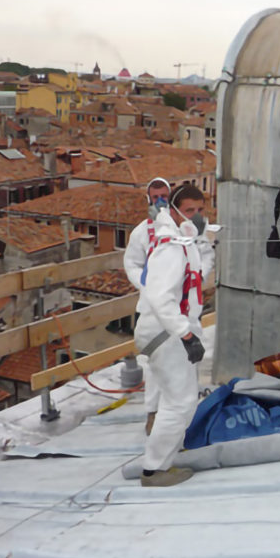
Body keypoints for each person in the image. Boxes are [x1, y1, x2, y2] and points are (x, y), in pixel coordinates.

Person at [134, 183, 209, 487]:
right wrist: (185, 335)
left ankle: (164, 459)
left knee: (179, 399)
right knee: (179, 401)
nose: (196, 216)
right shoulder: (169, 248)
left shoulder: (183, 241)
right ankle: (154, 469)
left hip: (171, 330)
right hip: (166, 334)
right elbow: (160, 296)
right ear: (175, 210)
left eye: (200, 210)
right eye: (190, 210)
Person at [123, 177, 172, 436]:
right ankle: (152, 414)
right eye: (156, 197)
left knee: (184, 360)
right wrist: (141, 281)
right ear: (148, 199)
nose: (160, 201)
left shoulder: (181, 227)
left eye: (164, 195)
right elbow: (131, 263)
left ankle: (181, 412)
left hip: (179, 306)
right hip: (152, 306)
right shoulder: (141, 232)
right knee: (155, 362)